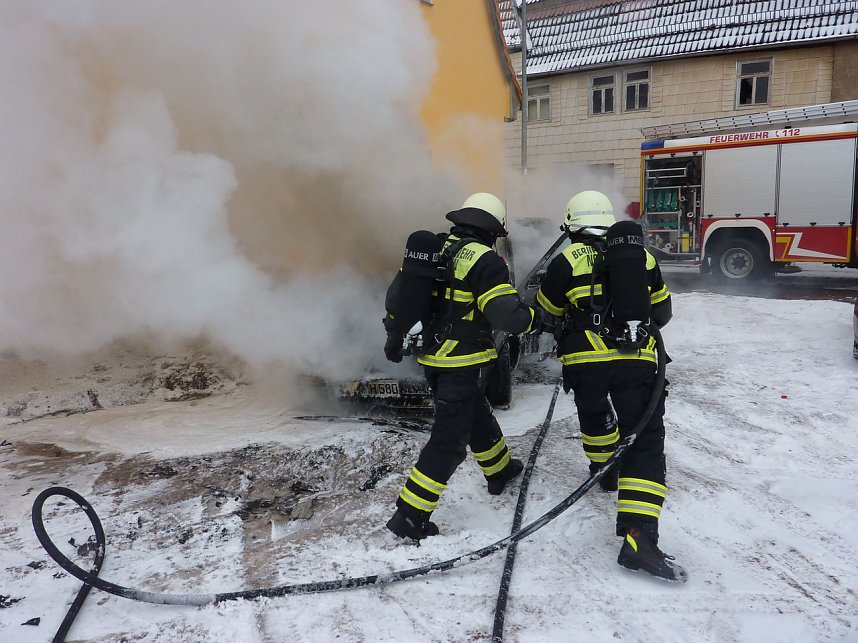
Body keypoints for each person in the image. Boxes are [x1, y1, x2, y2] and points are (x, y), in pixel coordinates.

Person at [535, 190, 686, 582]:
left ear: (572, 224)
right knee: (645, 440)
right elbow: (663, 312)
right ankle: (639, 535)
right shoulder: (644, 257)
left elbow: (547, 312)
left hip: (585, 361)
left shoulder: (564, 260)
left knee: (595, 412)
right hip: (636, 361)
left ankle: (604, 468)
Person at [383, 192, 548, 541]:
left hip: (433, 358)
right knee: (448, 443)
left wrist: (395, 335)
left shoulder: (438, 248)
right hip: (461, 361)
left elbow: (398, 296)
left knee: (476, 416)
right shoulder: (484, 260)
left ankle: (500, 470)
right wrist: (535, 317)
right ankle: (410, 516)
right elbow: (508, 315)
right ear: (492, 228)